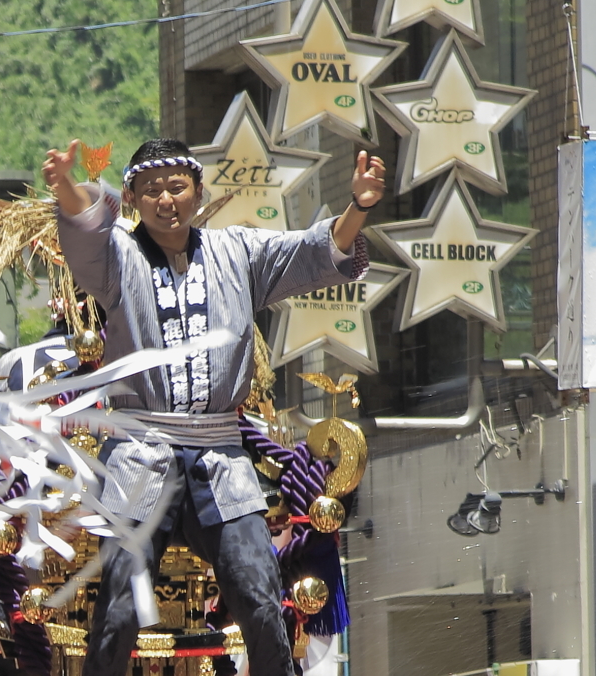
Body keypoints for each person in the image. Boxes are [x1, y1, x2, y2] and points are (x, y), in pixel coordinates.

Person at [43, 137, 383, 676]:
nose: (166, 199)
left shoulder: (238, 252)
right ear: (131, 198)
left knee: (259, 593)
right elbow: (84, 234)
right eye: (151, 189)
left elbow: (315, 253)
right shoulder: (118, 259)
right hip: (140, 452)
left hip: (220, 457)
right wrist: (64, 184)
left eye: (177, 186)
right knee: (120, 608)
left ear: (199, 191)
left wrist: (359, 206)